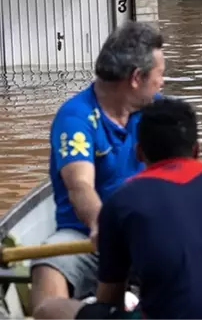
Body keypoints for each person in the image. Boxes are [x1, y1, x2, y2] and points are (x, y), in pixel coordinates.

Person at [34, 97, 202, 320]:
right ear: (197, 150)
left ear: (139, 153)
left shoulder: (122, 201)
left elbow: (109, 301)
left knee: (50, 309)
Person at [31, 21, 165, 319]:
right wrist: (102, 224)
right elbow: (80, 185)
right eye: (159, 76)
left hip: (148, 233)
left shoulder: (160, 114)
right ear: (136, 78)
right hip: (86, 234)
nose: (162, 83)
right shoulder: (76, 116)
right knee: (46, 270)